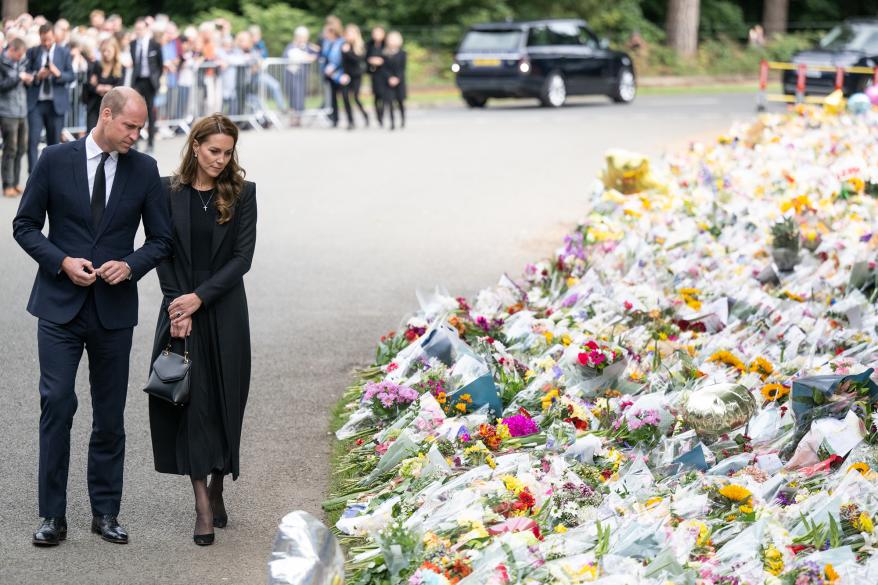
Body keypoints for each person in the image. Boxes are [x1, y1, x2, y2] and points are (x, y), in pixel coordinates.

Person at [12, 87, 172, 547]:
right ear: (106, 115)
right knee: (57, 404)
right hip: (59, 308)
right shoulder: (54, 159)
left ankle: (106, 512)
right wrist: (61, 261)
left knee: (110, 416)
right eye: (130, 126)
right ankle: (52, 516)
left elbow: (161, 240)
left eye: (140, 128)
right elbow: (25, 225)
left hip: (113, 311)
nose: (136, 135)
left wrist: (131, 265)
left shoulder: (144, 169)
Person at [150, 113, 256, 546]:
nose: (220, 159)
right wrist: (180, 305)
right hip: (179, 307)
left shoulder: (243, 193)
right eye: (213, 150)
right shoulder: (164, 191)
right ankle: (202, 506)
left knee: (226, 402)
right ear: (194, 146)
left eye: (227, 152)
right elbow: (162, 249)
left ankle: (218, 483)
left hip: (225, 309)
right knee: (190, 404)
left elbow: (242, 259)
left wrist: (201, 298)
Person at [23, 22, 74, 174]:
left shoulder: (64, 52)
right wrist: (37, 76)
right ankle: (33, 175)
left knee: (54, 143)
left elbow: (71, 76)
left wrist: (57, 73)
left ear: (54, 36)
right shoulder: (32, 52)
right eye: (44, 40)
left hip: (55, 104)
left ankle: (53, 175)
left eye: (49, 39)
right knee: (33, 140)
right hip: (36, 104)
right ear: (40, 37)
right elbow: (26, 73)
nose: (46, 43)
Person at [0, 37, 30, 198]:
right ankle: (7, 184)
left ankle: (16, 182)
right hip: (7, 112)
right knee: (10, 149)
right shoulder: (1, 62)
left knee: (21, 148)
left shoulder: (20, 62)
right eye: (19, 55)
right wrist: (18, 77)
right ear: (11, 50)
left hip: (21, 111)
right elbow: (2, 86)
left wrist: (28, 79)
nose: (21, 58)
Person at [131, 18, 163, 153]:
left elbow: (160, 64)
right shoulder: (132, 44)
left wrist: (156, 78)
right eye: (137, 29)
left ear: (146, 29)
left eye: (141, 28)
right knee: (135, 112)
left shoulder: (154, 44)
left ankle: (150, 142)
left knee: (150, 112)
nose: (139, 31)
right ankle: (135, 141)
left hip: (150, 82)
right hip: (138, 81)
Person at [83, 38, 124, 133]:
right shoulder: (96, 65)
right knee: (91, 133)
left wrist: (103, 87)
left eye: (108, 51)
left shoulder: (120, 68)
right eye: (103, 51)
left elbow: (119, 87)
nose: (105, 54)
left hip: (112, 108)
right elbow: (90, 85)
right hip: (94, 105)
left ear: (115, 51)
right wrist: (101, 88)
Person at [283, 26, 318, 123]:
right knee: (293, 96)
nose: (303, 39)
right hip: (291, 76)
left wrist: (312, 53)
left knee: (301, 96)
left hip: (302, 76)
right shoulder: (291, 46)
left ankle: (299, 118)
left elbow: (318, 53)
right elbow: (286, 57)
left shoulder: (307, 46)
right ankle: (293, 118)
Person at [340, 24, 368, 129]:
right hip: (346, 75)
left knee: (355, 97)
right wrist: (343, 74)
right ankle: (350, 121)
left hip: (357, 75)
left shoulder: (360, 46)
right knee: (345, 97)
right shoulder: (344, 46)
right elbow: (343, 63)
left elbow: (359, 60)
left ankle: (365, 114)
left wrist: (348, 52)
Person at [320, 22, 347, 128]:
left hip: (339, 73)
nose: (325, 34)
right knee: (333, 98)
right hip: (329, 74)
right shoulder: (326, 43)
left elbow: (341, 58)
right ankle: (335, 119)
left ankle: (350, 119)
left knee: (345, 96)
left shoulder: (341, 42)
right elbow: (324, 56)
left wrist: (334, 68)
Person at [383, 31, 407, 131]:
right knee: (390, 102)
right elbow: (384, 68)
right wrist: (389, 78)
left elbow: (402, 68)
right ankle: (392, 122)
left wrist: (397, 78)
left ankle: (402, 120)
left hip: (399, 80)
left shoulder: (402, 53)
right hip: (388, 81)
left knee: (400, 101)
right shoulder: (385, 53)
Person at [365, 27, 387, 127]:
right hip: (374, 73)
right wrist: (371, 61)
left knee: (383, 95)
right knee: (376, 95)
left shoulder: (386, 45)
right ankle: (378, 115)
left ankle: (382, 115)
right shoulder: (369, 45)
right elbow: (365, 57)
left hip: (384, 73)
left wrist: (381, 61)